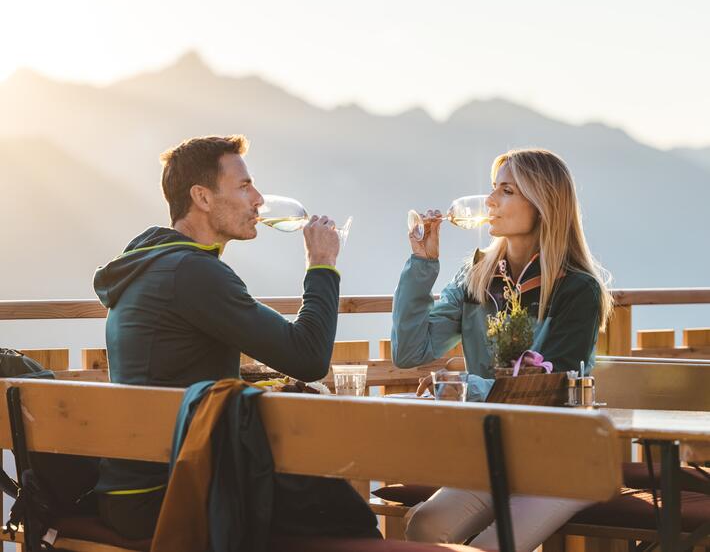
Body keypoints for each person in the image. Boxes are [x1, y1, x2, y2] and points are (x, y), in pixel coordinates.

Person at [92, 134, 342, 540]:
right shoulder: (192, 273)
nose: (258, 199)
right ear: (202, 198)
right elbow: (309, 357)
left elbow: (178, 373)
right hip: (171, 494)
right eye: (244, 186)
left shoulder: (155, 264)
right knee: (340, 512)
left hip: (134, 485)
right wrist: (322, 266)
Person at [391, 148, 613, 551]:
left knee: (493, 546)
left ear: (543, 203)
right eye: (493, 189)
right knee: (425, 526)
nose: (490, 201)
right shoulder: (477, 275)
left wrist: (463, 386)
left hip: (565, 463)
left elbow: (545, 388)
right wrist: (422, 264)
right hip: (497, 457)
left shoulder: (577, 289)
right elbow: (410, 352)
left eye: (506, 191)